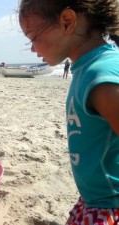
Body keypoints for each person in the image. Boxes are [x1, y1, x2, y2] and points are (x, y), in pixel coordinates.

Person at [19, 1, 119, 225]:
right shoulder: (85, 69)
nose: (33, 49)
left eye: (33, 37)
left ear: (67, 22)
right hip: (92, 200)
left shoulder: (101, 75)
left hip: (109, 207)